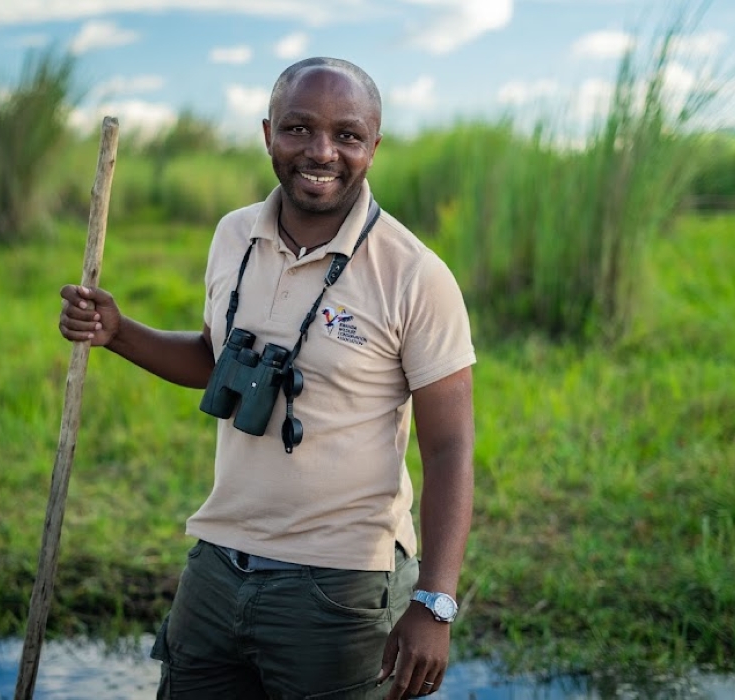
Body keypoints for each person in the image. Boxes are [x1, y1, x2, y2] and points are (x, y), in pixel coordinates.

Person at [58, 57, 476, 700]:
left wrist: (436, 601)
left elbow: (448, 448)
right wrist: (120, 333)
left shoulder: (414, 274)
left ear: (374, 146)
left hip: (340, 587)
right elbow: (215, 357)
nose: (321, 152)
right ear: (267, 133)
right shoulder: (233, 236)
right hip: (216, 566)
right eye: (298, 129)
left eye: (347, 136)